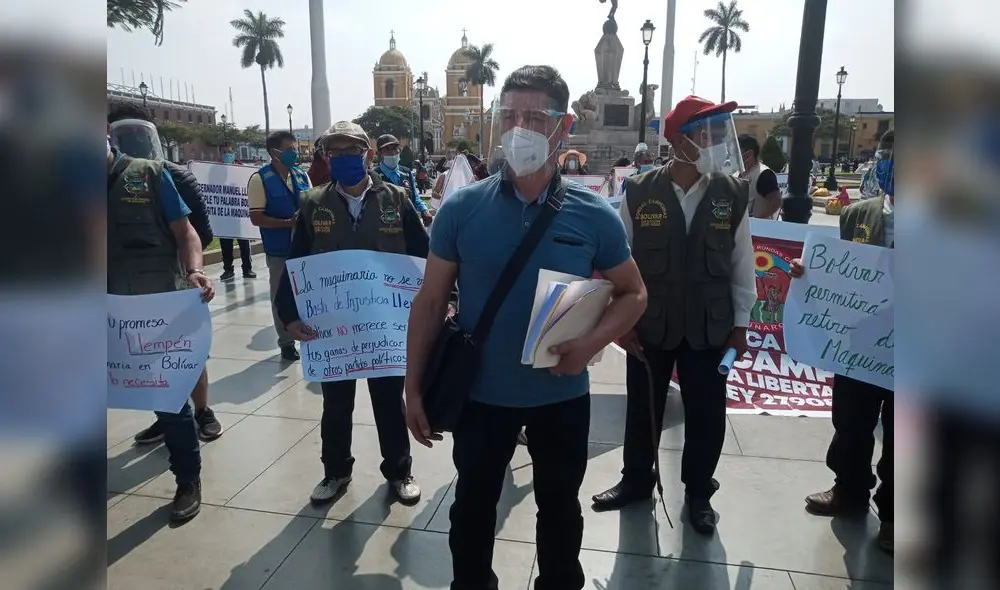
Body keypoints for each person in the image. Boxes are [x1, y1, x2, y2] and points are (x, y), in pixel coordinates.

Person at [404, 65, 647, 590]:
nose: (519, 128)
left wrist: (589, 344)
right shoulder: (462, 209)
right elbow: (428, 303)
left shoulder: (594, 214)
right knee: (472, 508)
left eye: (535, 117)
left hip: (560, 396)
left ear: (562, 128)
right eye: (508, 115)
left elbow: (634, 292)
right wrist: (413, 387)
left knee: (560, 510)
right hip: (480, 397)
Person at [592, 95, 756, 536]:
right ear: (680, 140)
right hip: (650, 323)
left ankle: (699, 491)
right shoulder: (640, 190)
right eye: (706, 133)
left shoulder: (732, 193)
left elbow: (742, 262)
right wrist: (618, 323)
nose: (715, 141)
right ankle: (635, 481)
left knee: (706, 412)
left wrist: (741, 323)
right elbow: (616, 259)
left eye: (719, 132)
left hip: (710, 325)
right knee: (644, 409)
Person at [273, 121, 424, 506]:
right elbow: (298, 262)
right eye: (334, 152)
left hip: (384, 328)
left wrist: (444, 299)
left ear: (367, 153)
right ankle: (335, 472)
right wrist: (289, 316)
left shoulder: (398, 199)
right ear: (325, 156)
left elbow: (425, 256)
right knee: (336, 405)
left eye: (350, 150)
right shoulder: (312, 203)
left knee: (390, 402)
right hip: (333, 330)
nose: (343, 158)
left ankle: (399, 471)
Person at [790, 130, 894, 555]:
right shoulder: (859, 215)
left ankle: (894, 515)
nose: (891, 163)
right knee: (850, 421)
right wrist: (809, 272)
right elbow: (845, 272)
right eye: (889, 154)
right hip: (861, 340)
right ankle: (848, 490)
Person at [107, 137, 214, 521]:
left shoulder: (150, 176)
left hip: (152, 312)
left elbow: (186, 233)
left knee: (169, 401)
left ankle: (188, 479)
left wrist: (195, 271)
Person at [107, 104, 224, 443]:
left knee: (187, 356)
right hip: (118, 297)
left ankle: (202, 411)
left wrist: (194, 269)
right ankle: (169, 414)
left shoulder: (166, 174)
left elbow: (198, 231)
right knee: (145, 364)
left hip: (169, 289)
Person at [248, 130, 312, 362]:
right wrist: (288, 223)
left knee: (306, 294)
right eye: (289, 150)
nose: (294, 153)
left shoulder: (302, 176)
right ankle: (286, 342)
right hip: (279, 250)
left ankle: (307, 333)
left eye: (295, 149)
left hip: (305, 247)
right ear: (274, 152)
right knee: (280, 295)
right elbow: (257, 218)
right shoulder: (260, 179)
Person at [373, 134, 434, 226]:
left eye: (395, 149)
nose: (392, 153)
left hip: (408, 223)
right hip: (385, 225)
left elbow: (414, 196)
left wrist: (424, 210)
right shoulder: (374, 176)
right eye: (387, 150)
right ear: (379, 153)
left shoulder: (406, 172)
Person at [737, 134, 782, 219]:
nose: (732, 156)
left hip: (757, 230)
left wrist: (757, 220)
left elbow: (776, 202)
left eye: (736, 152)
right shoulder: (737, 174)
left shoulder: (764, 174)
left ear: (749, 154)